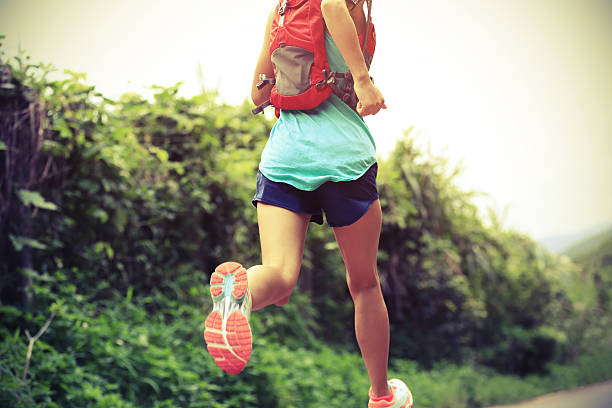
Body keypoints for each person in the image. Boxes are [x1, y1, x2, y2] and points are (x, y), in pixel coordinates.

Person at [204, 1, 413, 407]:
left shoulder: (281, 10)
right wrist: (363, 80)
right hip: (344, 161)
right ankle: (381, 396)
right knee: (364, 284)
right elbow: (332, 4)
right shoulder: (350, 7)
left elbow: (258, 92)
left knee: (279, 278)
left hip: (285, 157)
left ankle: (238, 297)